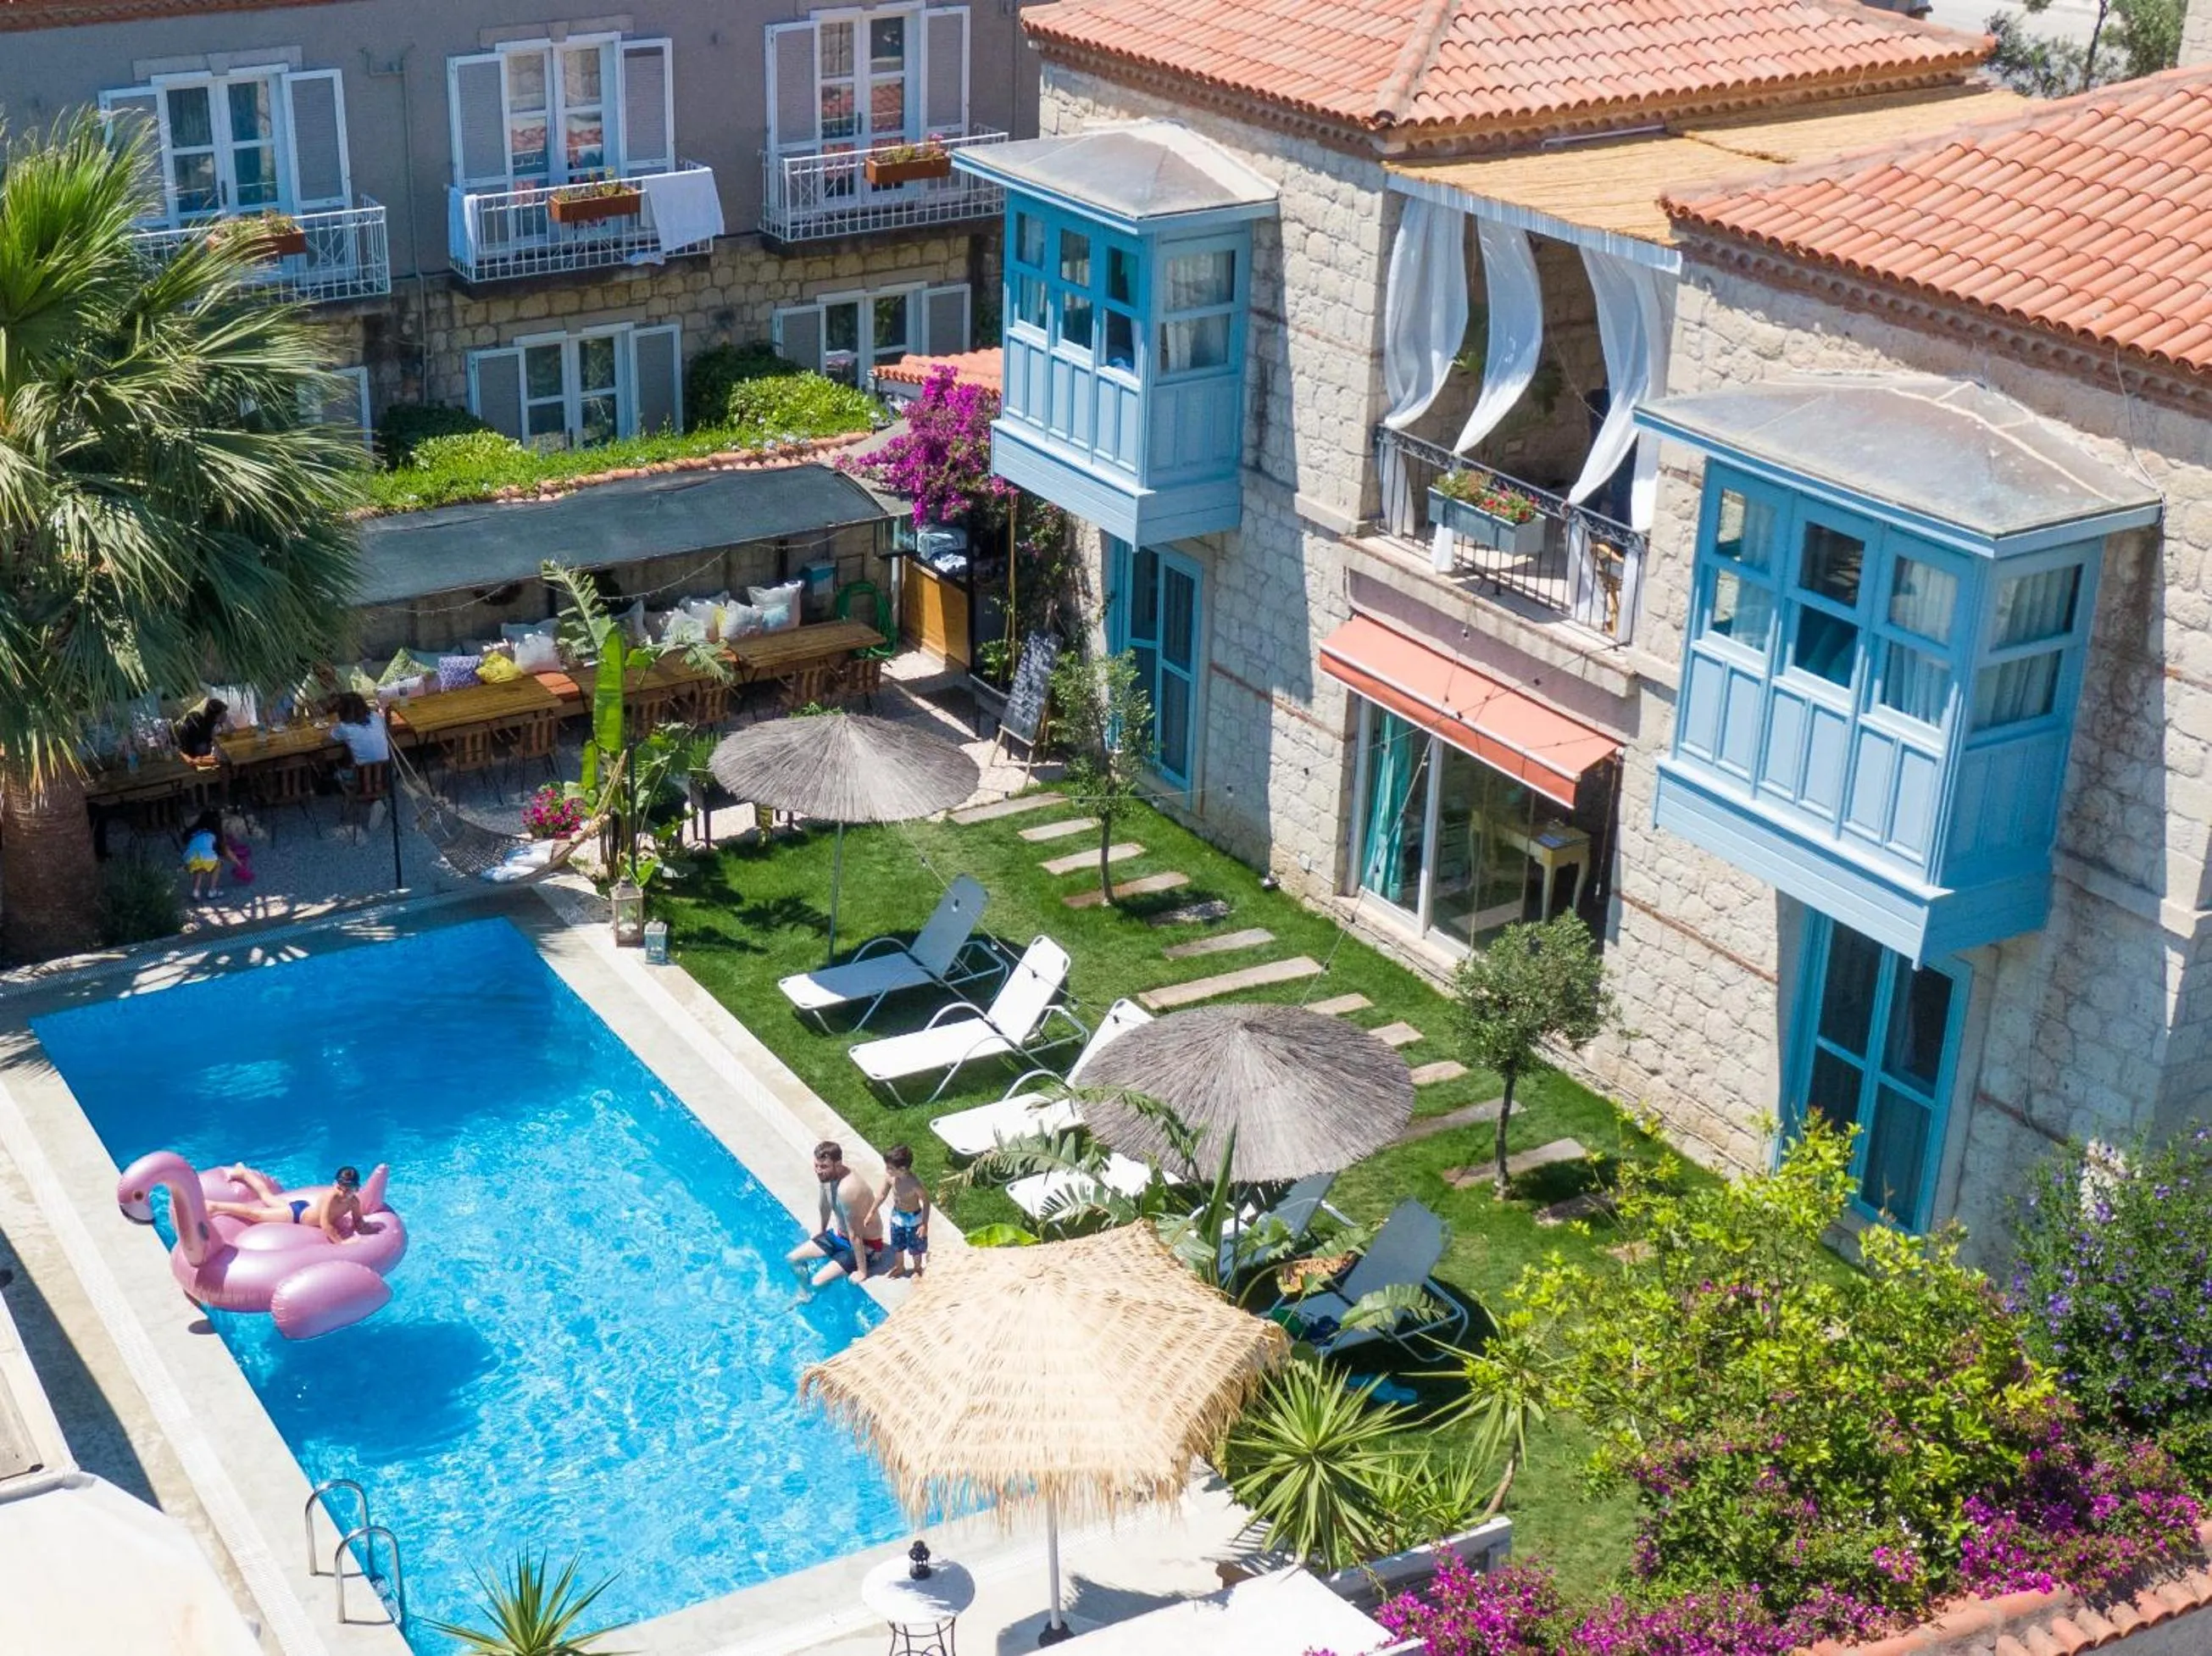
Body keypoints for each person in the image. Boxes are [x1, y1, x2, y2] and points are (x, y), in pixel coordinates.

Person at [786, 1140, 885, 1295]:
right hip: (840, 1236)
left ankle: (814, 1293)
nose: (819, 1171)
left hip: (867, 1246)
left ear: (838, 1164)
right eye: (817, 1166)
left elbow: (856, 1235)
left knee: (817, 1282)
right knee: (792, 1259)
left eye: (824, 1167)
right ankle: (804, 1292)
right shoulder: (827, 1177)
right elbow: (825, 1205)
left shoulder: (848, 1190)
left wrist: (862, 1272)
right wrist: (822, 1230)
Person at [207, 1164, 366, 1245]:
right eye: (340, 1188)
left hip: (303, 1207)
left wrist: (367, 1228)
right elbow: (325, 1223)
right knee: (255, 1214)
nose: (343, 1193)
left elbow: (358, 1220)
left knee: (267, 1197)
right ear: (334, 1185)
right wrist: (341, 1242)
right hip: (297, 1215)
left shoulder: (354, 1202)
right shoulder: (330, 1197)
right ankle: (216, 1206)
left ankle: (243, 1172)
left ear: (356, 1189)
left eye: (348, 1190)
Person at [878, 1143, 930, 1279]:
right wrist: (871, 1212)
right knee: (897, 1245)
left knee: (916, 1248)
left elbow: (926, 1201)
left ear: (902, 1169)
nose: (887, 1170)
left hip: (914, 1219)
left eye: (890, 1168)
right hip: (897, 1216)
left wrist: (924, 1224)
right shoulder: (890, 1178)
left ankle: (917, 1268)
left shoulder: (914, 1184)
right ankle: (900, 1266)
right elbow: (882, 1195)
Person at [181, 809, 242, 902]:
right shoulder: (214, 834)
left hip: (189, 857)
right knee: (218, 864)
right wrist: (239, 864)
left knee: (199, 868)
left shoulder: (194, 831)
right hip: (205, 857)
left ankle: (196, 891)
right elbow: (227, 852)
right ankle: (212, 891)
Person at [170, 698, 227, 768]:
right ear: (215, 715)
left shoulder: (211, 724)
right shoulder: (197, 722)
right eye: (222, 714)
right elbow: (189, 747)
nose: (224, 716)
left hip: (199, 752)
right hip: (194, 754)